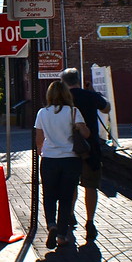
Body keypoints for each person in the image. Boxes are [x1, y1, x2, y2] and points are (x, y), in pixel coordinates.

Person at [35, 79, 89, 248]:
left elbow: (39, 140)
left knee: (49, 195)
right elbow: (86, 134)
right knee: (66, 198)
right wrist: (79, 128)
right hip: (70, 159)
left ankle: (51, 224)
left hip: (49, 159)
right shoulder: (73, 112)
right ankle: (61, 235)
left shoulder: (42, 113)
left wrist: (42, 150)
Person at [61, 67, 111, 242]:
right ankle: (90, 222)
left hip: (69, 149)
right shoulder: (90, 96)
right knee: (91, 186)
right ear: (78, 79)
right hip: (90, 148)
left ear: (64, 82)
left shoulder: (62, 99)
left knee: (71, 185)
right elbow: (107, 108)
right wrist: (94, 94)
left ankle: (71, 214)